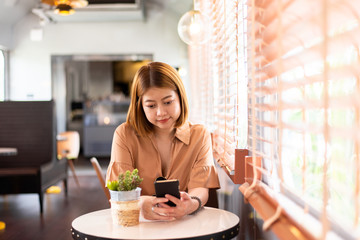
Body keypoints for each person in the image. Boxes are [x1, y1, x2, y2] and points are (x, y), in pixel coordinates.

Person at [105, 61, 220, 221]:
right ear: (140, 106)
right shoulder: (124, 135)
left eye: (168, 102)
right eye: (151, 106)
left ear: (180, 97)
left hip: (184, 225)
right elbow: (120, 191)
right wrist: (140, 203)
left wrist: (191, 204)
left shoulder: (199, 135)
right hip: (140, 225)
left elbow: (200, 188)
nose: (161, 112)